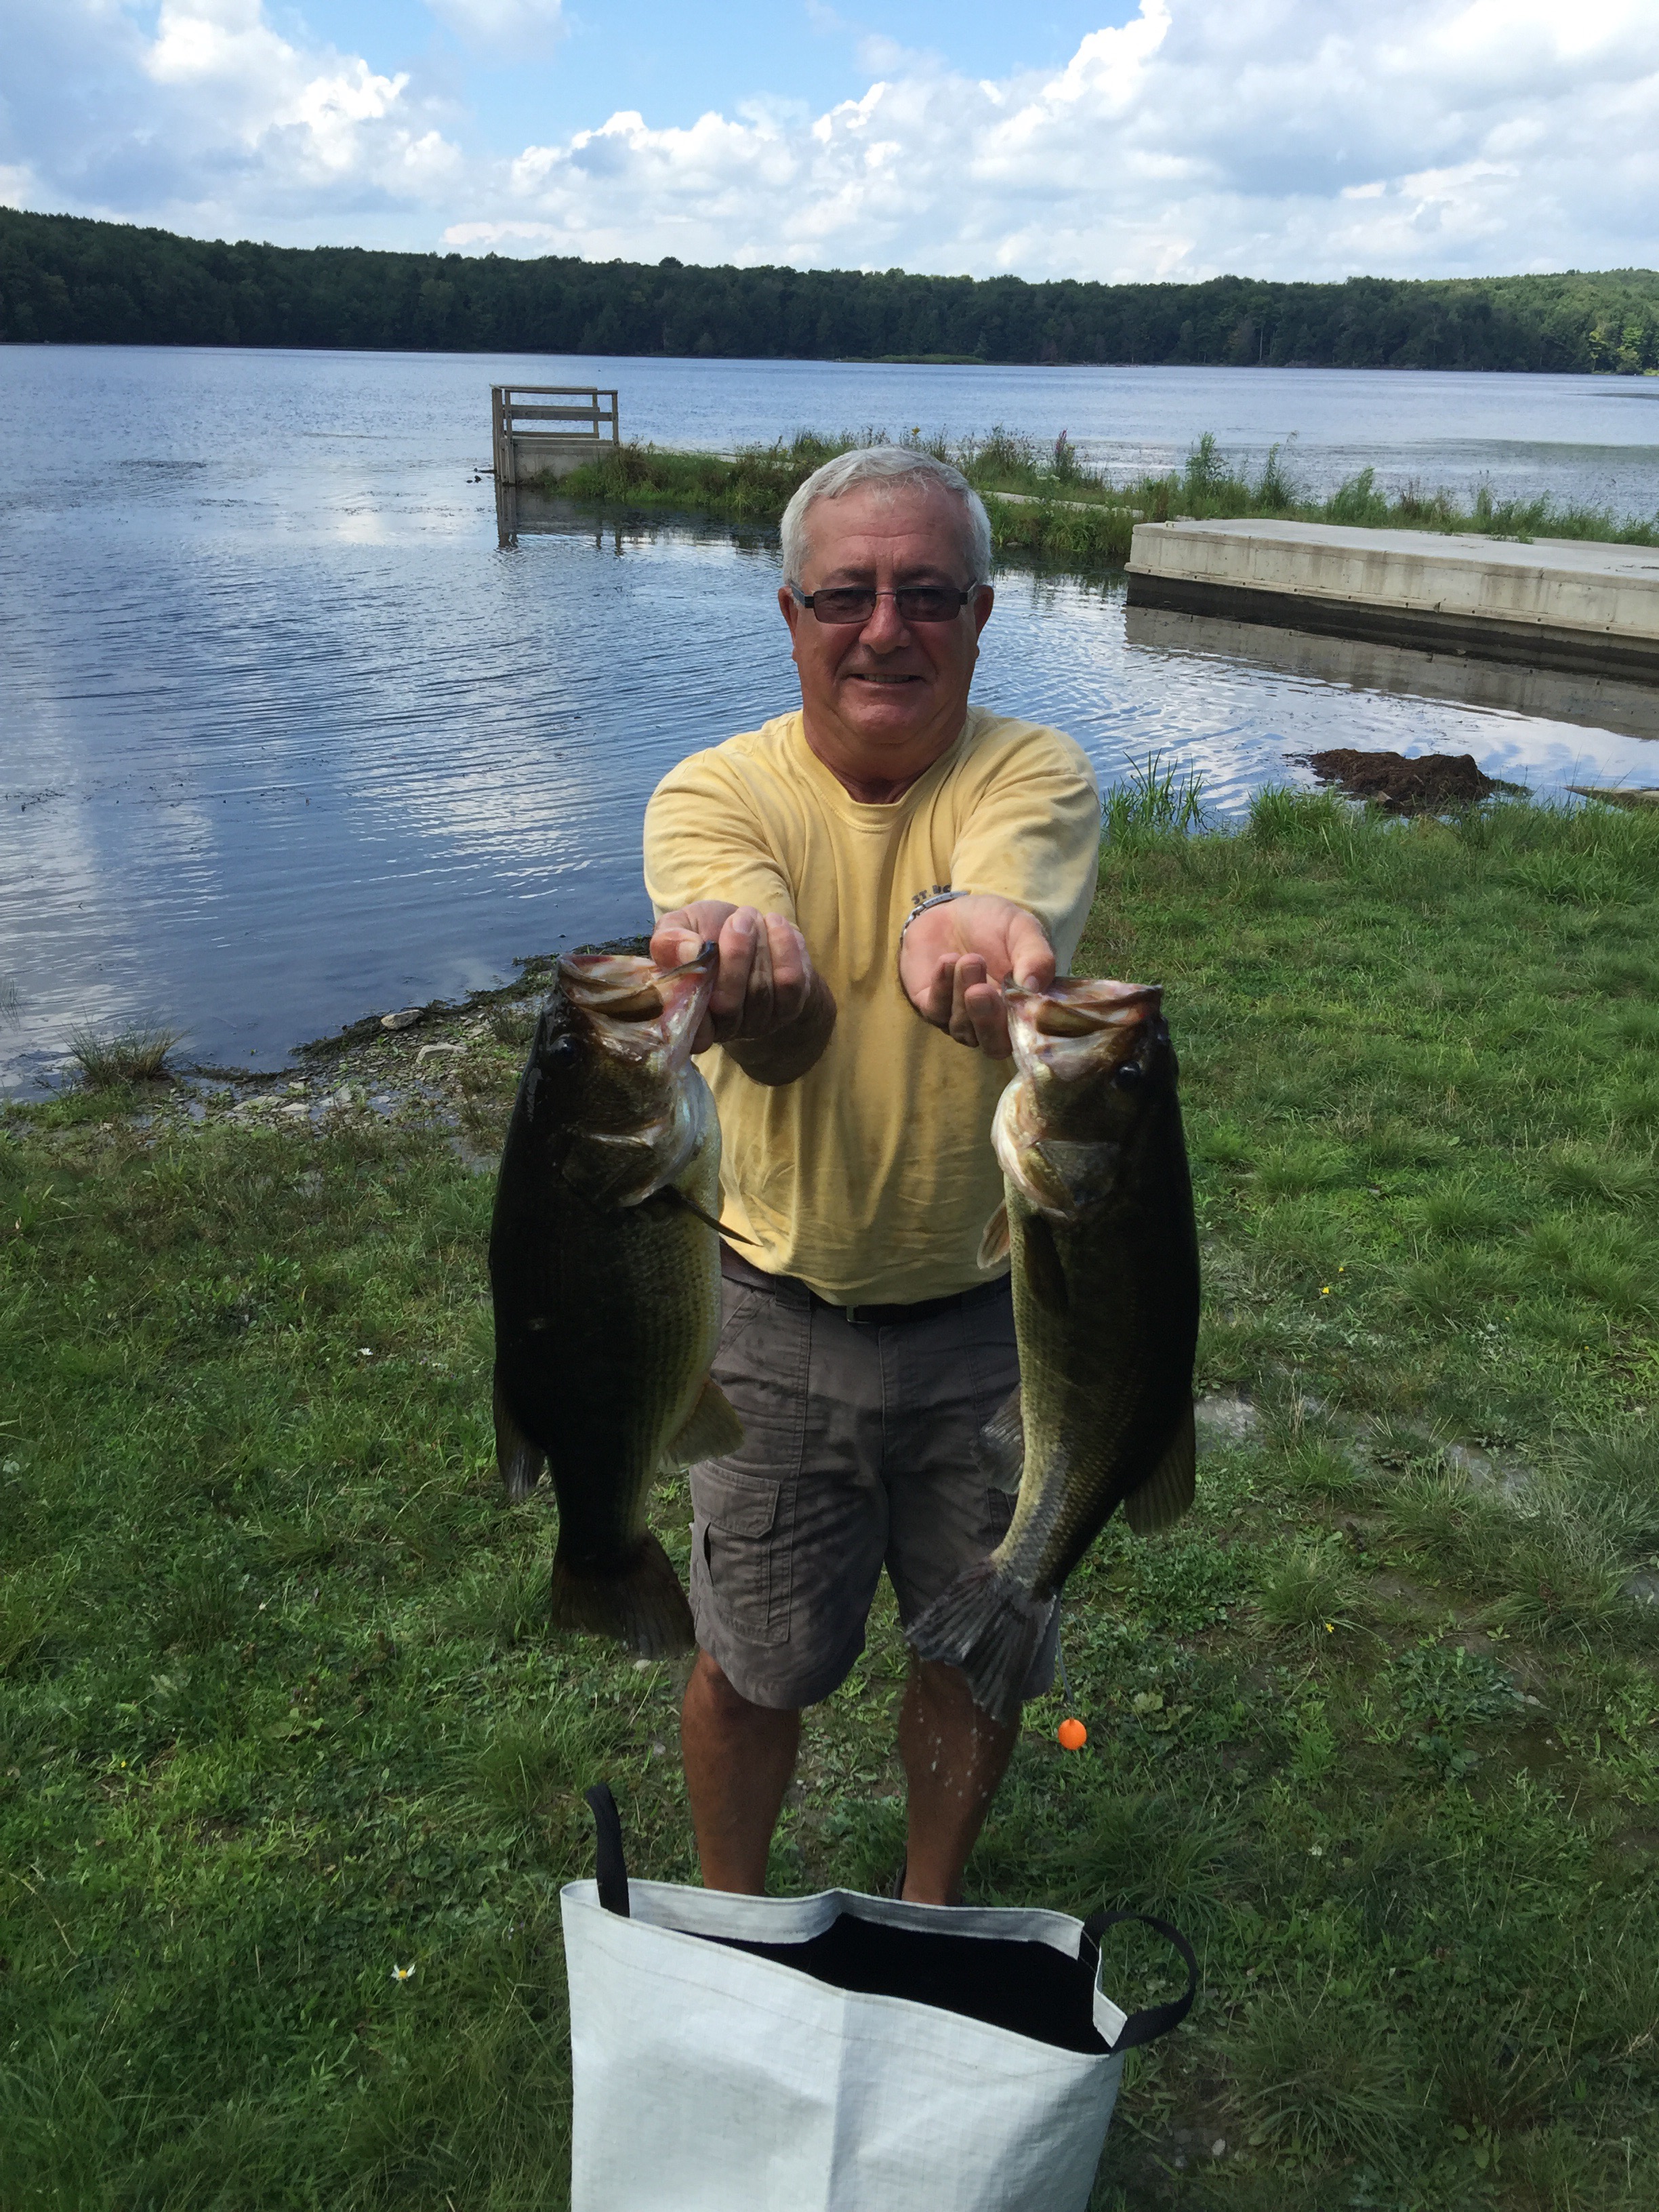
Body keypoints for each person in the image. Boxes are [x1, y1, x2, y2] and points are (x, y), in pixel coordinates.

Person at [644, 445, 1100, 1906]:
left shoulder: (1033, 770)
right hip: (772, 1319)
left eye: (928, 594)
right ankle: (732, 1919)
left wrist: (965, 928)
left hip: (995, 1324)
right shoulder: (712, 793)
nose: (885, 629)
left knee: (978, 1658)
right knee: (751, 1664)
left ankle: (929, 1912)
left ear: (983, 614)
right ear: (791, 616)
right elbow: (761, 976)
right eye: (846, 595)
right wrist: (758, 972)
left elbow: (996, 879)